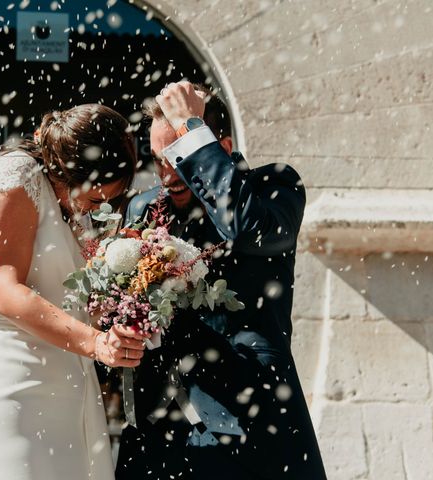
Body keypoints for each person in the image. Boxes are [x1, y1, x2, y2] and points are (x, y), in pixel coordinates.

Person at [116, 82, 327, 479]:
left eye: (179, 155)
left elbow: (246, 229)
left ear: (221, 147)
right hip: (162, 427)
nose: (168, 174)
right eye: (160, 160)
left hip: (252, 421)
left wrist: (189, 127)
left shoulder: (273, 189)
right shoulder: (143, 209)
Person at [0, 104, 148, 480]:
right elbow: (2, 290)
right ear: (70, 169)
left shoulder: (71, 206)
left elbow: (71, 301)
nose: (99, 209)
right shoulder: (18, 173)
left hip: (69, 389)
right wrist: (95, 343)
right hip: (12, 383)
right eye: (97, 198)